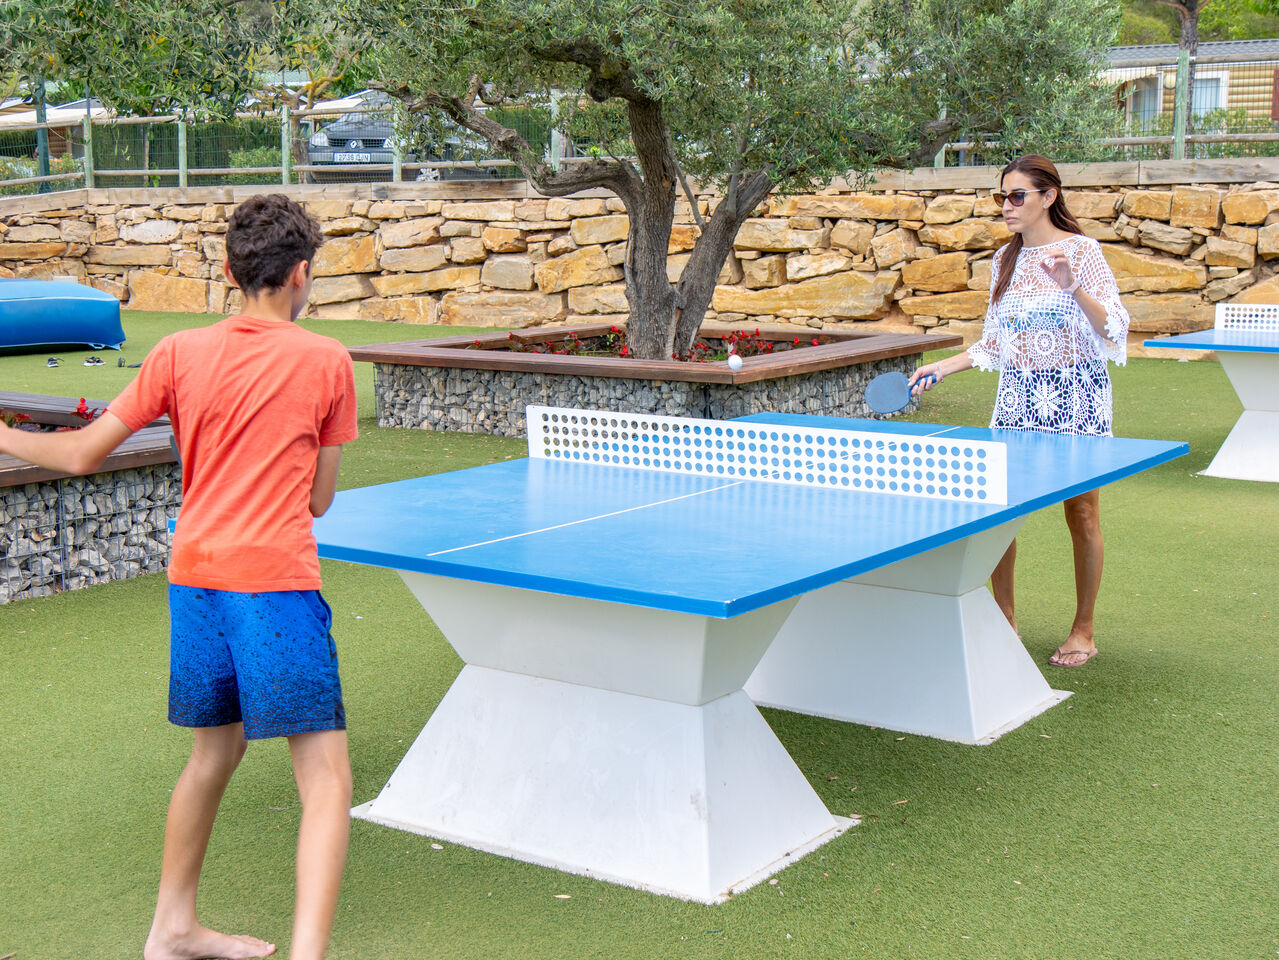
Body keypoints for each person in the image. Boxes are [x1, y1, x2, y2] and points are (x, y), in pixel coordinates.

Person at [0, 193, 358, 959]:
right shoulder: (328, 360)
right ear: (301, 275)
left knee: (214, 752)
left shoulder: (175, 354)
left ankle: (172, 929)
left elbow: (78, 454)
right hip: (274, 584)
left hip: (194, 579)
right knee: (324, 777)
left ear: (230, 271)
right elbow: (320, 500)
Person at [908, 154, 1129, 668]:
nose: (1006, 206)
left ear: (1048, 197)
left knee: (1082, 510)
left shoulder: (1084, 251)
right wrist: (943, 367)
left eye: (1016, 196)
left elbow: (1114, 329)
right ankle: (1004, 618)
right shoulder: (1003, 261)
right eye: (1001, 196)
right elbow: (994, 344)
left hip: (1078, 396)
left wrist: (1073, 286)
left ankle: (1083, 629)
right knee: (1001, 512)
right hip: (1018, 398)